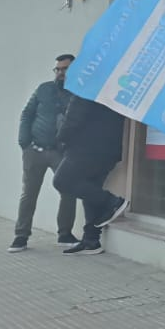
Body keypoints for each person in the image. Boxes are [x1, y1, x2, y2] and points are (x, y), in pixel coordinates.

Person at [8, 53, 78, 252]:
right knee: (29, 194)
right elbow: (27, 114)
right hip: (35, 150)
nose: (60, 73)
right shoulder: (44, 89)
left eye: (65, 69)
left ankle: (65, 234)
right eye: (58, 69)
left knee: (68, 191)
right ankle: (21, 236)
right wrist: (24, 143)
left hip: (61, 153)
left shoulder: (78, 93)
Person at [52, 93, 131, 256]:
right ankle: (91, 240)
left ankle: (112, 201)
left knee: (61, 181)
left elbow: (73, 119)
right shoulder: (114, 90)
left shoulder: (86, 89)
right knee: (91, 191)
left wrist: (60, 139)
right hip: (109, 150)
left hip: (85, 148)